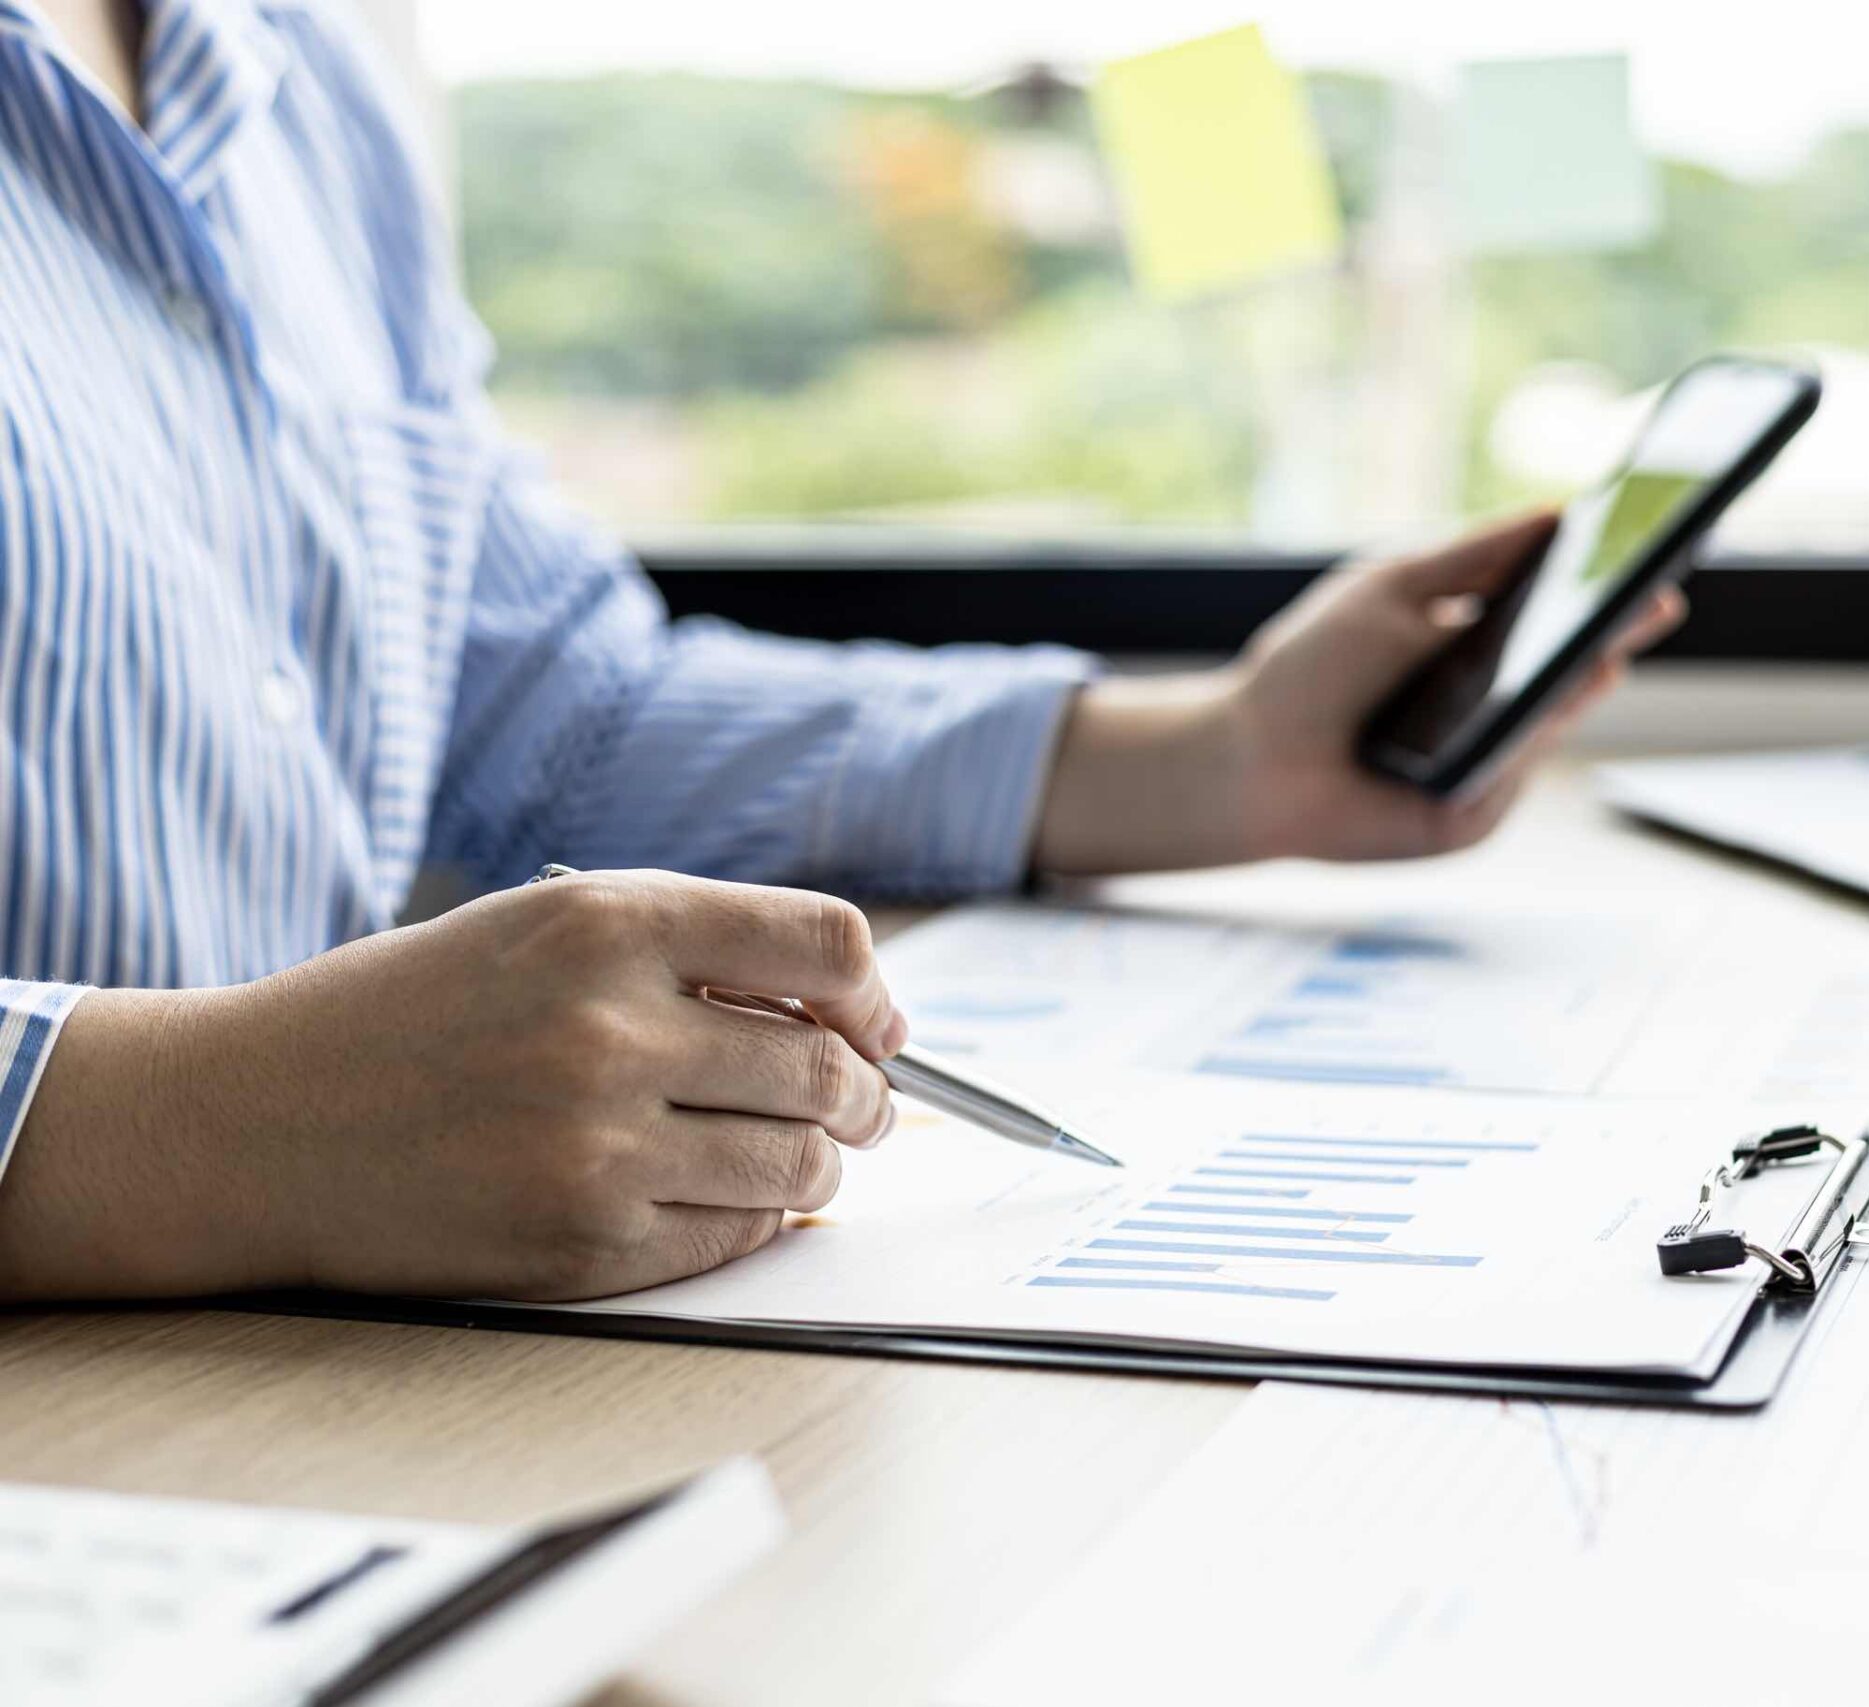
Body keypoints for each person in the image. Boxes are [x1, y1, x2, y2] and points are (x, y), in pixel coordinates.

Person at [0, 0, 1679, 1304]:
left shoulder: (301, 78)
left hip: (282, 1402)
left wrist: (1208, 759)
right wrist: (221, 1123)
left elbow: (541, 712)